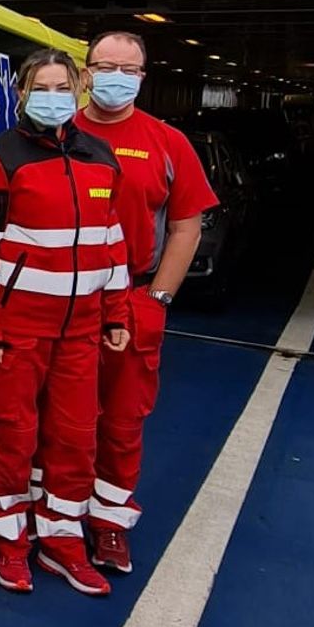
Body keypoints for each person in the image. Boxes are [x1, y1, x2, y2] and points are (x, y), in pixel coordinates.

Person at [0, 49, 131, 596]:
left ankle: (62, 542)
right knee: (14, 440)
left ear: (79, 91)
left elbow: (112, 241)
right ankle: (10, 544)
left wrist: (116, 313)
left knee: (75, 441)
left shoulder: (100, 157)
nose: (52, 97)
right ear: (22, 94)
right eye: (41, 87)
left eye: (61, 87)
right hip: (15, 333)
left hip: (80, 332)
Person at [76, 30, 218, 575]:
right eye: (105, 67)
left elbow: (187, 226)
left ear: (142, 78)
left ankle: (109, 523)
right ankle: (56, 517)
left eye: (128, 70)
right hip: (61, 297)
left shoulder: (166, 142)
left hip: (132, 297)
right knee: (59, 415)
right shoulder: (55, 132)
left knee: (121, 420)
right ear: (85, 73)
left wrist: (158, 297)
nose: (116, 78)